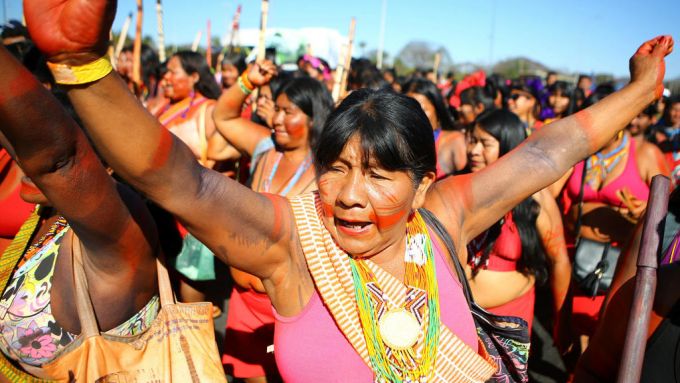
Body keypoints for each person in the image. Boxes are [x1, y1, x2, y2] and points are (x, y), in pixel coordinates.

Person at [22, 3, 673, 379]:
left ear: (422, 185)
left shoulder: (446, 217)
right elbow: (177, 179)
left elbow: (547, 150)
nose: (350, 194)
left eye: (380, 172)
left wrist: (641, 90)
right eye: (337, 166)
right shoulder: (291, 240)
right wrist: (82, 66)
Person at [0, 45, 160, 379]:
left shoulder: (118, 232)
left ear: (108, 165)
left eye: (43, 153)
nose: (27, 164)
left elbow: (59, 163)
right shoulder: (46, 216)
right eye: (25, 149)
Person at [212, 64, 333, 382]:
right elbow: (222, 117)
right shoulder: (266, 148)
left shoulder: (328, 169)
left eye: (287, 112)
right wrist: (247, 81)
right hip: (245, 301)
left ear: (312, 117)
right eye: (275, 110)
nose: (276, 120)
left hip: (293, 305)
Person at [550, 86, 670, 351]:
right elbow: (546, 193)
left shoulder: (646, 154)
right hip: (577, 260)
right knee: (576, 343)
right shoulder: (581, 151)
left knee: (608, 344)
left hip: (620, 267)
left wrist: (645, 213)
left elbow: (671, 212)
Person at [466, 109, 570, 332]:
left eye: (485, 143)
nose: (474, 150)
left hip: (507, 324)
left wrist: (561, 319)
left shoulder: (533, 198)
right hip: (460, 317)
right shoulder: (458, 188)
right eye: (472, 141)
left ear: (507, 145)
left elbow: (559, 259)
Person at [404, 78, 467, 178]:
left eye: (422, 110)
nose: (414, 116)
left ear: (436, 109)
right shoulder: (399, 141)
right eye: (408, 110)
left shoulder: (455, 141)